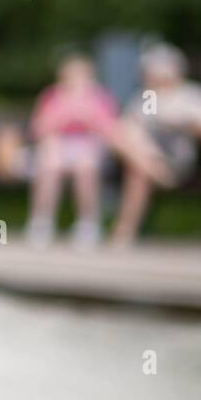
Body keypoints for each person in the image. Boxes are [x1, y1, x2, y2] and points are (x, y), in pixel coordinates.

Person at [24, 53, 120, 248]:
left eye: (81, 76)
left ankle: (89, 224)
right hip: (57, 146)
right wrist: (63, 116)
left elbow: (111, 132)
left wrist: (88, 116)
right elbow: (38, 130)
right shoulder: (51, 96)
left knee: (85, 167)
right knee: (50, 165)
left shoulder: (101, 98)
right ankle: (42, 222)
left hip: (90, 147)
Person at [109, 43, 201, 246]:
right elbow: (143, 125)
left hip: (178, 157)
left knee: (137, 170)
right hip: (151, 153)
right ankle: (158, 172)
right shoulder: (149, 96)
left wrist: (180, 123)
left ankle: (124, 231)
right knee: (130, 144)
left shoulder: (190, 94)